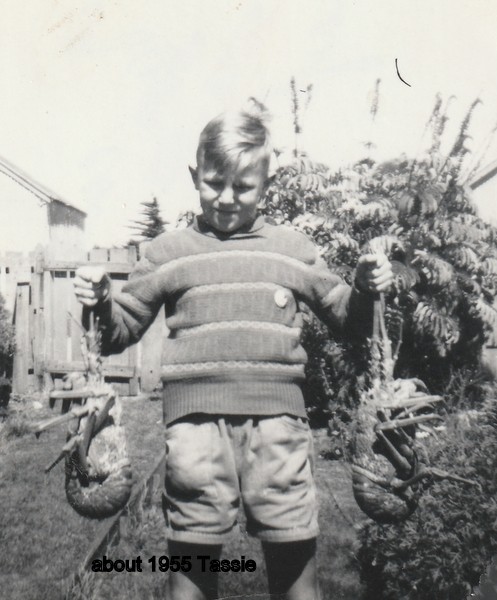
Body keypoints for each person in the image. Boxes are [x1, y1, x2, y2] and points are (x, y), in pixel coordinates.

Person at [74, 100, 393, 600]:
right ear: (194, 175)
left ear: (266, 183)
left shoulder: (292, 249)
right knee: (191, 574)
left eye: (242, 186)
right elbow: (120, 330)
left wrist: (367, 290)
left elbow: (348, 319)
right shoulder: (167, 252)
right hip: (194, 431)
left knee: (296, 573)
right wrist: (98, 302)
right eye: (213, 182)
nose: (225, 198)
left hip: (279, 429)